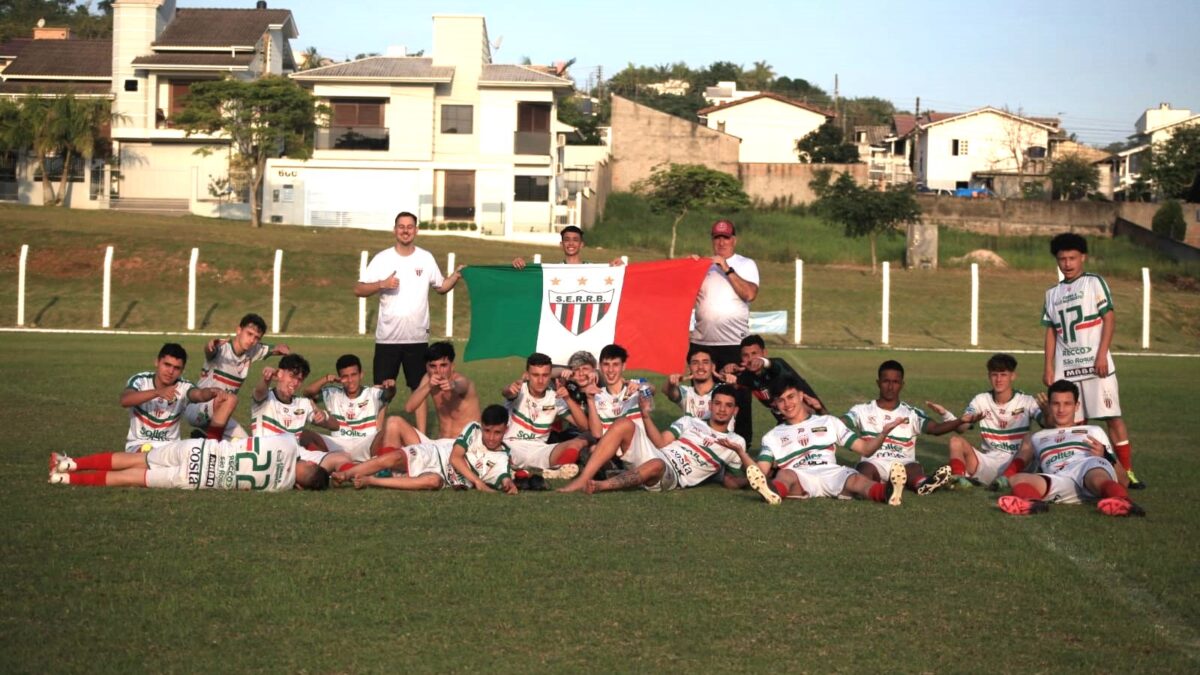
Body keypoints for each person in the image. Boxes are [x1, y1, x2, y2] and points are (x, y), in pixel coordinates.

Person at [1041, 233, 1141, 489]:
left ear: (1082, 257)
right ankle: (1075, 468)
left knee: (1112, 416)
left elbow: (1109, 318)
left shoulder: (1094, 282)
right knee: (1074, 423)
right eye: (1062, 259)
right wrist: (1049, 365)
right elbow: (1051, 330)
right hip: (1067, 366)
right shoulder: (1051, 293)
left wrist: (1101, 354)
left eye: (1072, 257)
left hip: (1096, 364)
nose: (1067, 263)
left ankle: (1126, 472)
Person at [558, 384, 776, 501]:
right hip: (658, 453)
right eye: (717, 403)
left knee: (657, 465)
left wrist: (741, 452)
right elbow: (661, 442)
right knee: (624, 423)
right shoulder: (690, 421)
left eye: (728, 406)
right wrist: (644, 416)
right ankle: (582, 479)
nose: (721, 409)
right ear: (710, 405)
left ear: (735, 410)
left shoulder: (734, 441)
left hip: (673, 475)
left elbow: (736, 480)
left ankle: (602, 485)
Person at [354, 211, 465, 435]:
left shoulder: (425, 258)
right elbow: (359, 289)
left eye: (410, 226)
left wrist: (455, 276)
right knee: (381, 390)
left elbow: (441, 287)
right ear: (395, 230)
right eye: (401, 226)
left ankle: (421, 437)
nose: (405, 230)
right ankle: (376, 437)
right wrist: (382, 284)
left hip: (417, 338)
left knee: (421, 388)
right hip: (388, 338)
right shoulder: (383, 258)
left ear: (416, 230)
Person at [997, 380, 1144, 517]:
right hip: (1059, 478)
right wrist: (1004, 478)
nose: (1061, 409)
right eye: (1056, 404)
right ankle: (1033, 504)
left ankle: (1123, 502)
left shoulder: (1093, 430)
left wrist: (1105, 455)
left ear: (1077, 406)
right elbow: (1021, 460)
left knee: (1095, 476)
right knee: (1018, 479)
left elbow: (1124, 481)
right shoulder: (1037, 437)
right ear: (1049, 406)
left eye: (1067, 404)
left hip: (1087, 469)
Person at [756, 376, 908, 505]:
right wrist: (746, 461)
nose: (787, 404)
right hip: (799, 475)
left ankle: (888, 493)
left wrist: (883, 433)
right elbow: (760, 471)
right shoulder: (772, 436)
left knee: (856, 479)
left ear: (801, 395)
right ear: (775, 404)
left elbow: (865, 449)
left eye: (791, 397)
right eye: (781, 400)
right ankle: (773, 493)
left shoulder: (829, 422)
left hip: (830, 471)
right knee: (785, 475)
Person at [332, 405, 517, 494]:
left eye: (497, 432)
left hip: (445, 478)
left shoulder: (503, 457)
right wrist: (477, 482)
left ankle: (371, 480)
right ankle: (347, 474)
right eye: (488, 431)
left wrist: (508, 485)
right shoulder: (473, 429)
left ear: (505, 430)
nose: (491, 437)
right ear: (482, 425)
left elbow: (503, 477)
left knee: (432, 482)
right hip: (436, 454)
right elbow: (455, 458)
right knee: (395, 457)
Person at [926, 353, 1046, 489]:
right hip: (990, 461)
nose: (998, 379)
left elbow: (1047, 423)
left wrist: (1048, 413)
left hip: (1019, 464)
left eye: (1003, 374)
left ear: (1013, 376)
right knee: (955, 441)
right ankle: (958, 479)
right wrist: (946, 414)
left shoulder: (1026, 401)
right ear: (989, 376)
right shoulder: (981, 400)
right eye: (994, 374)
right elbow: (961, 429)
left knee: (1030, 438)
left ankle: (1006, 478)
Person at [842, 360, 959, 496]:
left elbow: (936, 429)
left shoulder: (912, 413)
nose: (890, 387)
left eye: (895, 382)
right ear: (878, 383)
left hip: (904, 463)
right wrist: (821, 416)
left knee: (914, 468)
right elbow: (839, 424)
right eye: (886, 381)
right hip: (874, 462)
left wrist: (961, 420)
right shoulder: (862, 410)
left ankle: (923, 484)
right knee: (864, 468)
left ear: (902, 385)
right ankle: (880, 488)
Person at [48, 435, 330, 491]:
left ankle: (70, 463)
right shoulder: (280, 488)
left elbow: (263, 436)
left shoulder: (288, 444)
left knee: (139, 458)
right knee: (133, 478)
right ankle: (64, 479)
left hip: (200, 450)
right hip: (198, 479)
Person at [689, 220, 760, 441]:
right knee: (703, 398)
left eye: (726, 237)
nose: (721, 242)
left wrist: (726, 268)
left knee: (739, 396)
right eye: (717, 238)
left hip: (734, 345)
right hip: (702, 343)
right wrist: (689, 270)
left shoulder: (745, 264)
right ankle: (701, 443)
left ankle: (741, 447)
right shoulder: (702, 265)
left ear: (734, 240)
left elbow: (749, 294)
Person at [184, 312, 290, 440]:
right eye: (249, 334)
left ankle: (204, 439)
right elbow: (209, 350)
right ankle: (209, 444)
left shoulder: (253, 350)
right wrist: (210, 346)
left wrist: (284, 350)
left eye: (257, 337)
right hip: (198, 408)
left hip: (221, 413)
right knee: (230, 399)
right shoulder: (222, 349)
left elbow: (278, 348)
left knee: (245, 445)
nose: (252, 340)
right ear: (239, 330)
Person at [122, 343, 230, 453]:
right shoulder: (141, 380)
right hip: (139, 445)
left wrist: (211, 392)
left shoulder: (184, 386)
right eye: (167, 365)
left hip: (170, 448)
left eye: (176, 368)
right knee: (146, 457)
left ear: (182, 370)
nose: (170, 371)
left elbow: (199, 394)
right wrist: (157, 392)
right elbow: (125, 400)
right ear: (157, 362)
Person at [722, 334, 827, 442]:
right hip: (787, 426)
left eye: (755, 354)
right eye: (746, 355)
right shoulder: (748, 376)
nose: (751, 359)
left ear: (764, 353)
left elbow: (774, 365)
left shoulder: (778, 367)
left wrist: (764, 362)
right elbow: (723, 378)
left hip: (814, 421)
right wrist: (726, 370)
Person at [500, 352, 588, 480]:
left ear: (550, 375)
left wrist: (568, 399)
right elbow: (507, 392)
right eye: (535, 375)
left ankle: (552, 471)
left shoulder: (555, 397)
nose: (540, 380)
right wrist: (509, 389)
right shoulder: (520, 390)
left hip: (540, 450)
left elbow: (584, 426)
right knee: (498, 452)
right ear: (527, 375)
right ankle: (526, 471)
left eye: (545, 375)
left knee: (583, 439)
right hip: (512, 447)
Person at [301, 354, 395, 462]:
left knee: (388, 432)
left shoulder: (372, 393)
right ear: (340, 378)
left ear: (361, 375)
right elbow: (307, 393)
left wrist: (391, 387)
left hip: (366, 444)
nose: (350, 380)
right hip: (338, 444)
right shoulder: (333, 392)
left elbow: (388, 395)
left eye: (353, 375)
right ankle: (330, 463)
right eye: (345, 376)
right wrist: (326, 379)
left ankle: (338, 464)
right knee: (305, 435)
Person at [402, 341, 481, 440]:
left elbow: (462, 385)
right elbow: (409, 408)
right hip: (441, 443)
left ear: (452, 366)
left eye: (443, 365)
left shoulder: (462, 381)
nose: (438, 370)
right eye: (433, 366)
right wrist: (428, 386)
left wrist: (453, 385)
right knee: (394, 422)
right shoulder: (428, 379)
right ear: (426, 367)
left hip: (465, 444)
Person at [249, 354, 339, 439]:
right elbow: (259, 391)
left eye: (299, 379)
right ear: (280, 373)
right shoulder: (265, 398)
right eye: (292, 376)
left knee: (340, 456)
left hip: (294, 454)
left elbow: (335, 426)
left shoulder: (303, 403)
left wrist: (324, 417)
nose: (295, 383)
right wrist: (266, 379)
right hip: (266, 453)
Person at [511, 225, 624, 268]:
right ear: (561, 245)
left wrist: (620, 265)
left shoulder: (592, 268)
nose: (571, 243)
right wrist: (519, 265)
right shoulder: (553, 270)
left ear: (581, 245)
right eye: (566, 240)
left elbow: (616, 279)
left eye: (575, 240)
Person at [664, 345, 718, 420]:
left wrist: (734, 381)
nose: (700, 367)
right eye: (695, 363)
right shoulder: (686, 392)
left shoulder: (724, 390)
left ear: (713, 367)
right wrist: (671, 381)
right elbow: (667, 391)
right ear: (689, 368)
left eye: (705, 362)